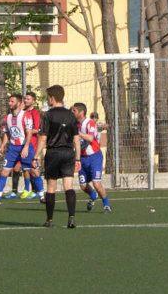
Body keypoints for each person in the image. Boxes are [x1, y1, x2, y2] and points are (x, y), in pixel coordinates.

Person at [34, 85, 80, 228]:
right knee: (68, 186)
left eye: (48, 97)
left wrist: (35, 156)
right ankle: (71, 217)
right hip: (68, 153)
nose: (48, 100)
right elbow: (76, 139)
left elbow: (43, 138)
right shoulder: (71, 115)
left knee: (51, 187)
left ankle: (49, 220)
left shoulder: (48, 115)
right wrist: (78, 158)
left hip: (53, 153)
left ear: (52, 98)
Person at [0, 93, 38, 205]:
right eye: (9, 101)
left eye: (12, 101)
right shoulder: (8, 117)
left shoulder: (31, 114)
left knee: (30, 170)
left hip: (28, 145)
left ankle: (34, 191)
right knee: (12, 169)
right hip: (13, 148)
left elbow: (35, 129)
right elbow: (7, 132)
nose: (9, 103)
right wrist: (3, 145)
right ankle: (1, 195)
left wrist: (27, 142)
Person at [73, 102, 112, 213]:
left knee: (96, 183)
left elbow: (90, 138)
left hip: (94, 157)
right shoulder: (75, 124)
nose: (72, 112)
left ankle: (106, 205)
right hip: (82, 158)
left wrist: (78, 133)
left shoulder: (89, 123)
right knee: (83, 185)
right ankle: (93, 195)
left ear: (81, 112)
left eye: (74, 111)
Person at [10, 91, 44, 201]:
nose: (26, 100)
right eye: (25, 98)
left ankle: (37, 191)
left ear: (33, 101)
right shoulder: (22, 112)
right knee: (19, 168)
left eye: (28, 99)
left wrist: (25, 131)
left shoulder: (35, 113)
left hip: (31, 144)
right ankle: (21, 190)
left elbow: (37, 129)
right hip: (21, 144)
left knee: (32, 168)